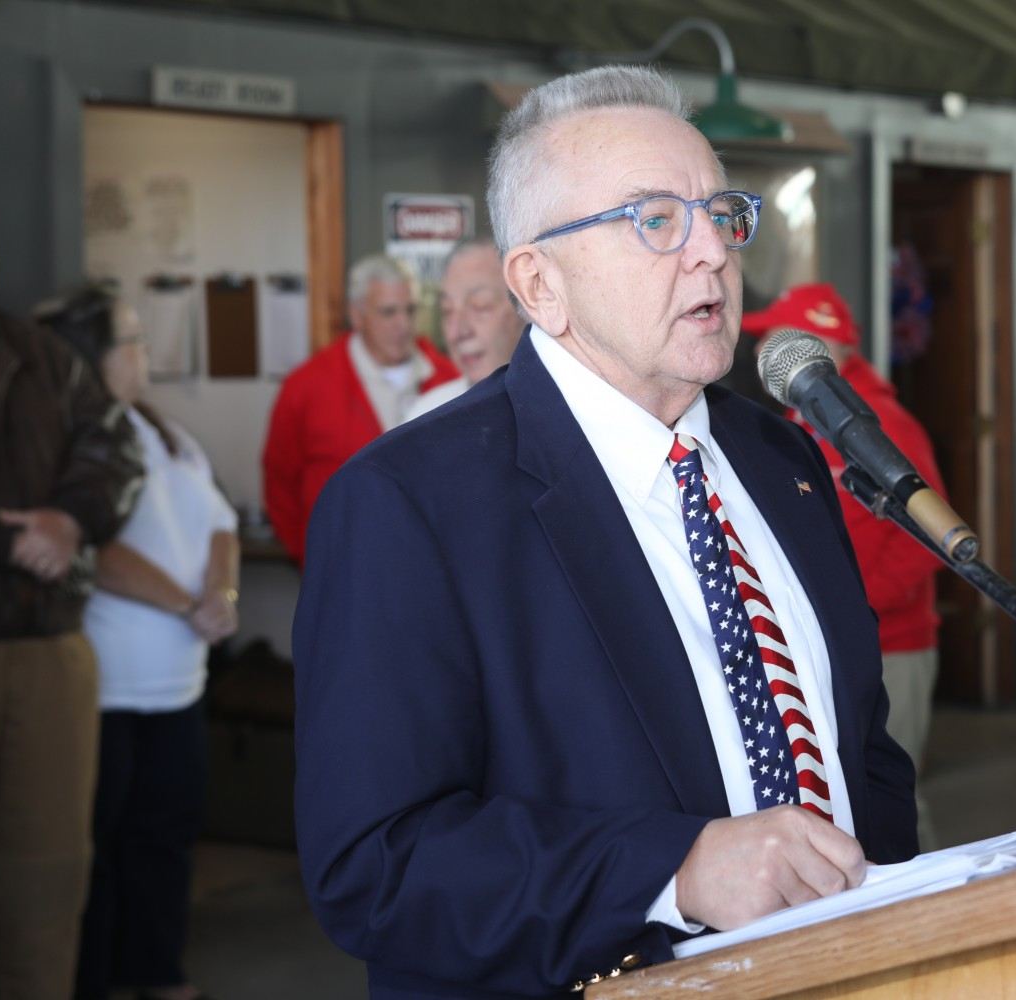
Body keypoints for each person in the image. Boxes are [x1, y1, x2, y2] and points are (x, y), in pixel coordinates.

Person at [293, 66, 916, 998]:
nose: (710, 251)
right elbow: (378, 866)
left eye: (721, 212)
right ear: (540, 284)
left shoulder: (778, 461)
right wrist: (678, 871)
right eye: (655, 219)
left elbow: (860, 750)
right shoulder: (406, 506)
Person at [39, 287, 238, 1000]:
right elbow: (95, 549)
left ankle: (157, 974)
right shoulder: (72, 435)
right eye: (129, 338)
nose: (143, 351)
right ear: (94, 356)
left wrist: (224, 594)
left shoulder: (161, 430)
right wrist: (188, 603)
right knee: (96, 852)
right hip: (108, 685)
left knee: (164, 840)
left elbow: (218, 520)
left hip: (178, 684)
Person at [0, 186, 143, 998]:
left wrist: (71, 522)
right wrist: (10, 539)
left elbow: (113, 447)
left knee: (44, 879)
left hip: (48, 650)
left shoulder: (40, 355)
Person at [742, 282, 947, 849]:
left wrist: (848, 609)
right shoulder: (794, 420)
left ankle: (930, 913)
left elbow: (924, 541)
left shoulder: (881, 425)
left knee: (893, 791)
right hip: (832, 641)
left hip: (894, 642)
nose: (762, 351)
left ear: (826, 344)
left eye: (778, 338)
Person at [261, 254, 459, 564]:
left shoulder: (451, 381)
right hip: (342, 567)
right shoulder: (306, 386)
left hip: (435, 568)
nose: (403, 325)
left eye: (410, 310)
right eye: (388, 312)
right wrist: (310, 557)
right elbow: (279, 480)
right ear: (357, 315)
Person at [403, 238, 526, 422]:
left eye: (480, 305)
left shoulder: (571, 406)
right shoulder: (426, 417)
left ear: (526, 308)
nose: (457, 332)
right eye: (446, 310)